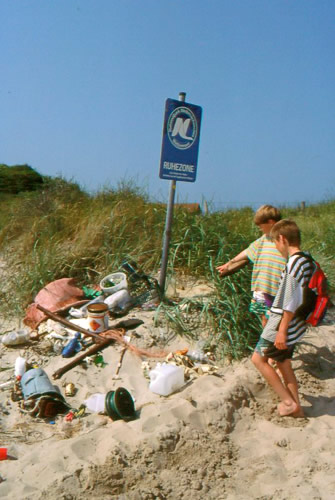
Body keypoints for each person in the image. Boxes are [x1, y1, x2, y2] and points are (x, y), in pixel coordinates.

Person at [251, 219, 315, 417]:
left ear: (282, 239)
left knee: (258, 360)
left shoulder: (293, 265)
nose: (276, 247)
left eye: (275, 242)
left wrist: (281, 331)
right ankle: (298, 410)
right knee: (283, 363)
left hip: (281, 323)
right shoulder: (307, 260)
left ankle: (288, 403)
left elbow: (289, 301)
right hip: (296, 324)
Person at [216, 205, 286, 327]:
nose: (259, 228)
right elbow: (248, 252)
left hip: (278, 288)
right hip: (262, 287)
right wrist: (230, 263)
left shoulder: (285, 238)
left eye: (261, 225)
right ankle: (267, 343)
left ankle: (272, 343)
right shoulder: (264, 239)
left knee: (276, 320)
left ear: (270, 222)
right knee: (264, 319)